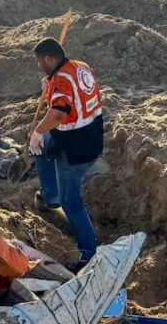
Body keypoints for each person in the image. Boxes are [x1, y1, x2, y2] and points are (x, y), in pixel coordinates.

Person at [28, 37, 104, 270]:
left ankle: (89, 254)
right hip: (91, 134)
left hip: (76, 147)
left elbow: (59, 113)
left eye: (40, 62)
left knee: (71, 203)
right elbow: (74, 92)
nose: (39, 66)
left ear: (49, 58)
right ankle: (50, 196)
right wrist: (52, 84)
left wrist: (38, 131)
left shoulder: (61, 80)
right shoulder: (80, 67)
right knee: (41, 146)